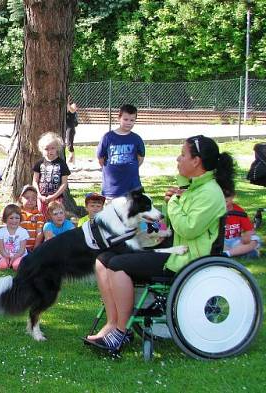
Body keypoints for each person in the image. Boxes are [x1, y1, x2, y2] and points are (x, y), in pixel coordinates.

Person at [86, 135, 233, 352]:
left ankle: (120, 331)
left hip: (185, 260)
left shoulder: (210, 193)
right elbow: (177, 226)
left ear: (196, 161)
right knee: (103, 260)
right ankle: (113, 324)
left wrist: (174, 201)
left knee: (118, 265)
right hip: (175, 250)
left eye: (183, 154)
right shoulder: (195, 188)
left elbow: (188, 228)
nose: (177, 158)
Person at [97, 104, 145, 199]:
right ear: (119, 118)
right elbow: (101, 158)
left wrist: (130, 167)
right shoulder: (108, 137)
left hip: (132, 187)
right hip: (112, 188)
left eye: (132, 120)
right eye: (125, 119)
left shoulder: (136, 139)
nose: (128, 123)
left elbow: (140, 158)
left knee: (132, 213)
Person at [33, 132, 70, 218]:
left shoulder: (62, 164)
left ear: (57, 148)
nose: (50, 151)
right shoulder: (39, 163)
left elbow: (64, 183)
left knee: (56, 217)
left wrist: (54, 196)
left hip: (56, 197)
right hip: (42, 198)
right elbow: (35, 181)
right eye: (46, 149)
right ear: (42, 149)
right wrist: (39, 195)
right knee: (42, 218)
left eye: (52, 148)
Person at [223, 189, 260, 258]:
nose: (224, 198)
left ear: (233, 196)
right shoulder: (213, 210)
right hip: (220, 242)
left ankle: (228, 253)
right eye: (221, 195)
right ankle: (241, 252)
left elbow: (250, 229)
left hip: (235, 240)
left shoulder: (239, 210)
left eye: (227, 195)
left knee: (255, 239)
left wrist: (247, 234)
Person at [0, 204, 28, 271]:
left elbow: (22, 250)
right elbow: (1, 249)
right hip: (5, 255)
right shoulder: (0, 232)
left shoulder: (23, 232)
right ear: (5, 218)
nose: (14, 221)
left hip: (19, 255)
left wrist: (14, 257)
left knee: (16, 266)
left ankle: (15, 264)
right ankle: (7, 263)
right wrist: (7, 257)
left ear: (20, 218)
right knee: (2, 266)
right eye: (11, 218)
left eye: (17, 218)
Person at [18, 184, 44, 251]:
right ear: (21, 199)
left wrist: (35, 248)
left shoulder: (39, 215)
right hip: (18, 248)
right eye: (27, 198)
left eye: (33, 198)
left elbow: (39, 233)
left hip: (33, 248)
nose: (30, 200)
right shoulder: (17, 213)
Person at [66, 95, 79, 164]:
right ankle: (72, 160)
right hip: (65, 127)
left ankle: (73, 160)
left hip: (70, 127)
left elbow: (71, 110)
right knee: (67, 144)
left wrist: (67, 102)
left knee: (69, 144)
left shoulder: (73, 104)